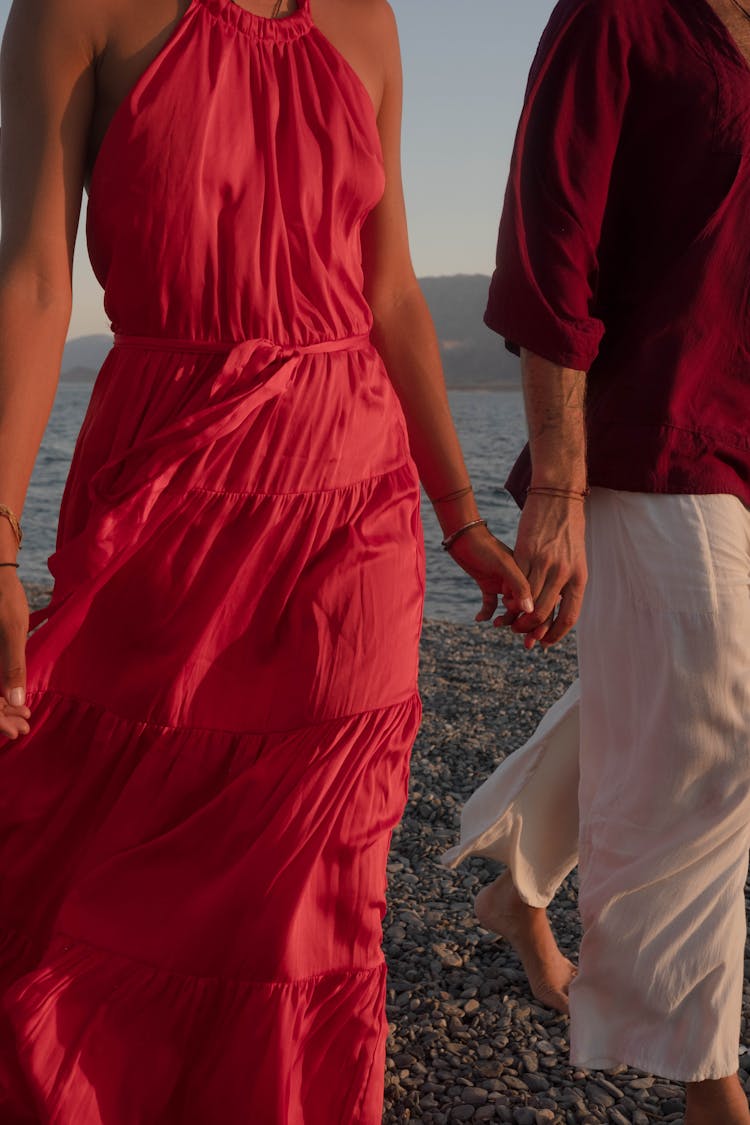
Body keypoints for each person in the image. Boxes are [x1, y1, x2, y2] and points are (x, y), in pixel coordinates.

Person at [0, 0, 533, 1120]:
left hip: (353, 497)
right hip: (166, 490)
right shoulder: (71, 11)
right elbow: (37, 279)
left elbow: (387, 289)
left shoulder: (364, 20)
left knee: (315, 874)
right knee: (115, 834)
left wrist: (460, 516)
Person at [443, 1, 750, 1123]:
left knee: (669, 696)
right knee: (725, 730)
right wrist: (560, 488)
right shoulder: (620, 15)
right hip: (648, 438)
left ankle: (519, 885)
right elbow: (548, 246)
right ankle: (703, 1073)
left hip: (743, 430)